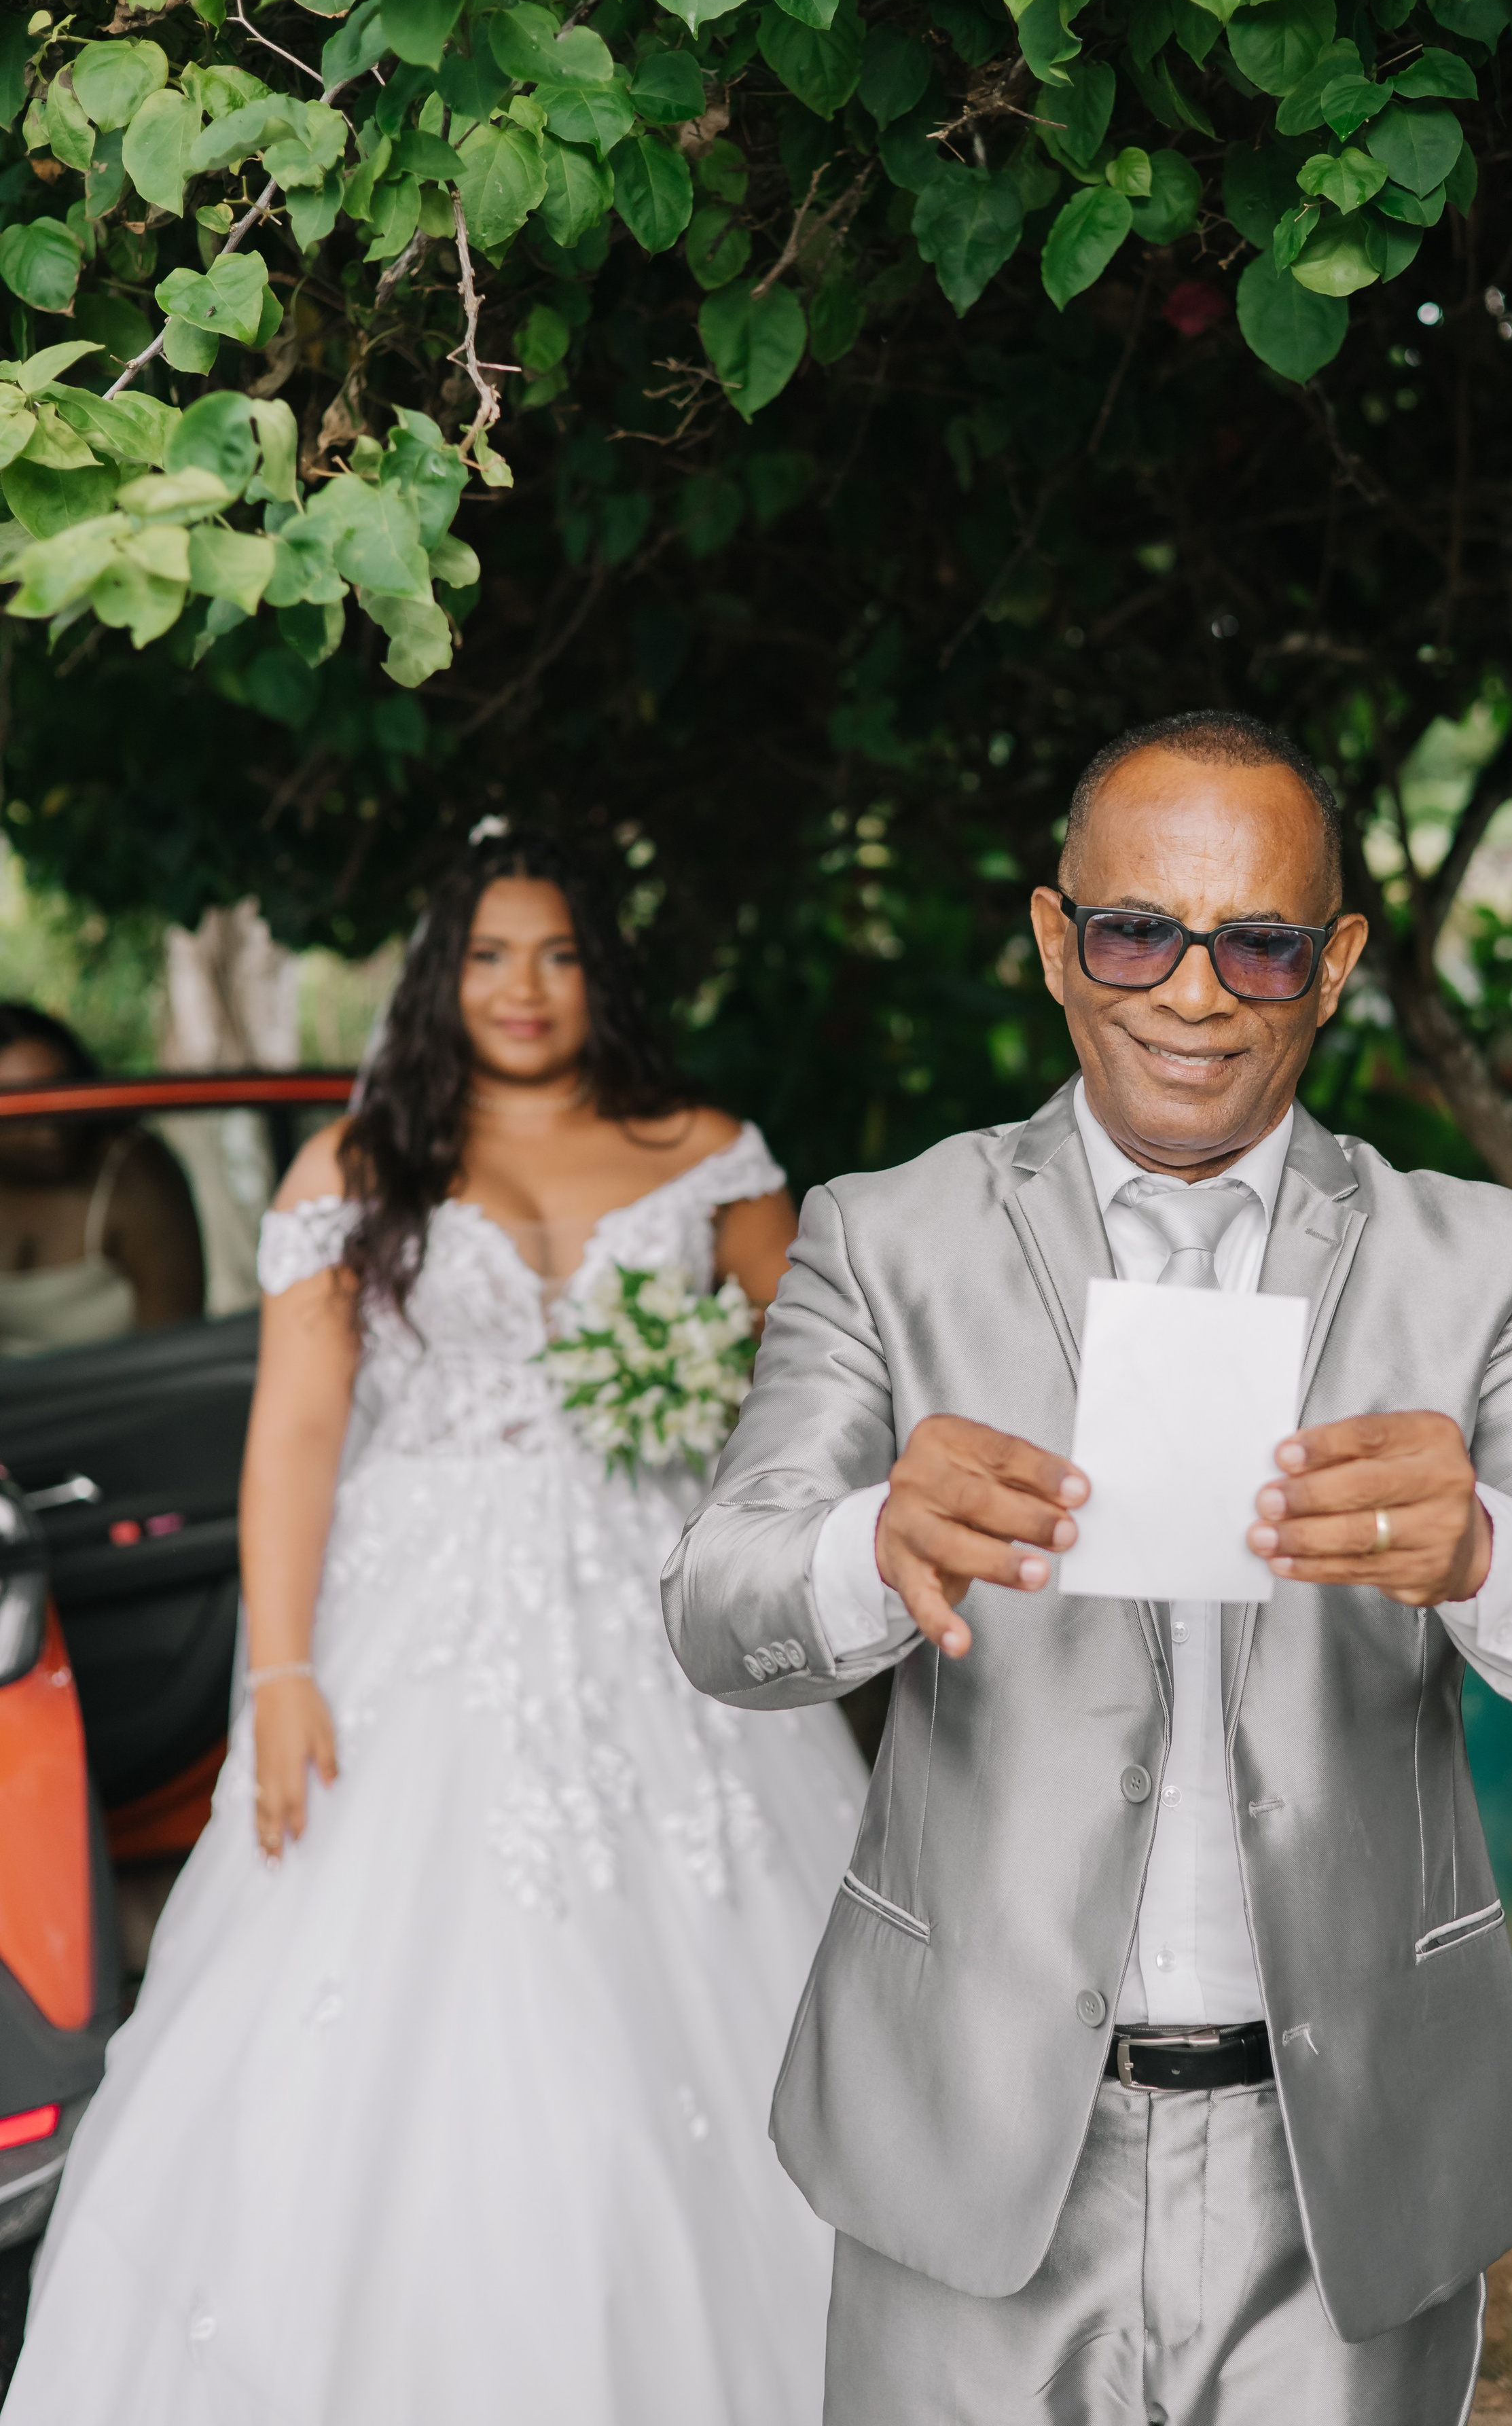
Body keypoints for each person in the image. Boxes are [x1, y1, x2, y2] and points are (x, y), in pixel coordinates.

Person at [663, 713, 1512, 2426]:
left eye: (1259, 944)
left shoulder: (1482, 1263)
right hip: (970, 2134)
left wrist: (1483, 1550)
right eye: (1134, 932)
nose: (1194, 993)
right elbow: (717, 1611)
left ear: (1334, 964)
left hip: (1348, 2159)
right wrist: (871, 1541)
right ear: (1052, 939)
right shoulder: (880, 1238)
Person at [5, 836, 865, 2426]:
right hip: (416, 1630)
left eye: (557, 953)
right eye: (487, 955)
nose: (522, 989)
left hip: (659, 1618)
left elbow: (819, 1388)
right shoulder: (358, 1165)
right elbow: (292, 1437)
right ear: (440, 976)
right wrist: (279, 1673)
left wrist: (723, 1430)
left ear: (602, 972)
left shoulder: (706, 1154)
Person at [0, 1004, 203, 1353]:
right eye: (23, 1111)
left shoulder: (136, 1176)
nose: (50, 1130)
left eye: (61, 1095)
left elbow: (174, 1355)